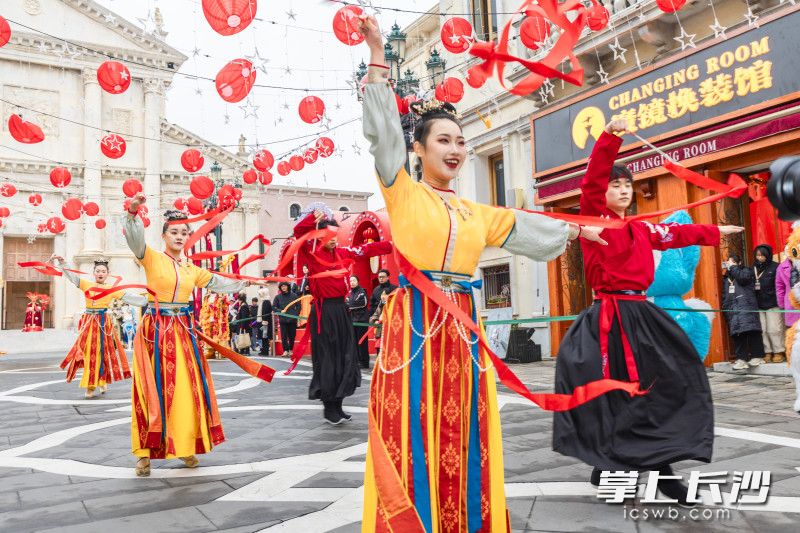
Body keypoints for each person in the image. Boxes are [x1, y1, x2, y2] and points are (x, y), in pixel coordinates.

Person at [356, 16, 609, 531]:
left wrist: (581, 231)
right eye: (443, 140)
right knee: (412, 424)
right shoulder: (401, 191)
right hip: (415, 326)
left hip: (463, 329)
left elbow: (525, 225)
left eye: (461, 141)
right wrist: (378, 54)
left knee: (465, 425)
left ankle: (467, 519)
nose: (455, 149)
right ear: (419, 151)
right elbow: (382, 135)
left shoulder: (474, 212)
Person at [552, 118, 744, 506]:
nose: (622, 190)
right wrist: (611, 137)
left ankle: (662, 470)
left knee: (668, 386)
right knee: (614, 394)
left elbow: (676, 235)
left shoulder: (641, 229)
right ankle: (610, 465)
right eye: (615, 184)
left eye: (627, 185)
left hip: (643, 315)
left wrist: (715, 233)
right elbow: (591, 180)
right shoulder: (594, 221)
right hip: (609, 319)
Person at [123, 193, 265, 477]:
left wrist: (245, 281)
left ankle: (185, 446)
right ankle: (144, 454)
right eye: (173, 232)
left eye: (183, 232)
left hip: (183, 332)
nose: (179, 236)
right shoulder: (151, 258)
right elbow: (134, 240)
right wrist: (132, 214)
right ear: (164, 236)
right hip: (156, 330)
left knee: (187, 391)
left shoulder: (191, 269)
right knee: (151, 390)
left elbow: (217, 282)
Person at [293, 208, 392, 424]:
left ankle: (338, 404)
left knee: (345, 357)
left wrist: (393, 245)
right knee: (328, 359)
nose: (333, 241)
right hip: (324, 312)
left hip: (342, 311)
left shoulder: (342, 253)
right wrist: (312, 218)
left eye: (335, 236)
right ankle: (329, 407)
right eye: (329, 236)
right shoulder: (312, 254)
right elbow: (298, 231)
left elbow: (366, 249)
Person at [50, 256, 142, 398]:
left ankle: (97, 382)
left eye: (103, 271)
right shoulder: (86, 284)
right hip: (89, 323)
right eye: (98, 271)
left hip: (103, 323)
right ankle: (95, 383)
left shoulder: (112, 289)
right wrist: (63, 263)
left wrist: (153, 300)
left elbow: (129, 297)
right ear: (94, 273)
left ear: (107, 273)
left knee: (101, 353)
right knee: (88, 354)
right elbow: (72, 277)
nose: (100, 273)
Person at [724, 254, 765, 370]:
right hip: (733, 310)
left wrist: (733, 267)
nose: (729, 265)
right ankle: (741, 359)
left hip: (747, 306)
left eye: (732, 262)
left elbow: (742, 279)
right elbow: (725, 296)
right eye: (728, 262)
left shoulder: (746, 271)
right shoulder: (727, 278)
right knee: (738, 334)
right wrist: (726, 310)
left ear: (739, 263)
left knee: (752, 331)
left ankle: (758, 356)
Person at [753, 245, 784, 363]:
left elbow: (780, 285)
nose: (759, 258)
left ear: (768, 255)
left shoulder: (776, 267)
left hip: (773, 303)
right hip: (758, 304)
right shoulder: (754, 268)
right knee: (763, 329)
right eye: (757, 255)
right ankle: (767, 352)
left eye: (762, 255)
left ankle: (779, 351)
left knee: (774, 329)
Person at [346, 275, 371, 369]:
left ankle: (364, 362)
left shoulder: (362, 292)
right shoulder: (350, 293)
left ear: (358, 281)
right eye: (350, 281)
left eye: (354, 280)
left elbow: (362, 303)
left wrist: (350, 305)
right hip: (353, 320)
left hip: (361, 320)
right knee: (355, 341)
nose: (352, 282)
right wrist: (350, 304)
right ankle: (357, 360)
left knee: (362, 342)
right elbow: (347, 303)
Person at [273, 281, 300, 356]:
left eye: (285, 286)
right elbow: (274, 307)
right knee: (283, 336)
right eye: (282, 286)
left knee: (292, 335)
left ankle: (291, 350)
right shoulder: (277, 297)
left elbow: (299, 306)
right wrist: (280, 311)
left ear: (288, 286)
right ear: (280, 288)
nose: (283, 288)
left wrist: (295, 314)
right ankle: (285, 350)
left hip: (292, 319)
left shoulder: (294, 295)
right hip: (283, 319)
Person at [258, 287, 273, 356]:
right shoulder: (265, 301)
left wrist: (264, 321)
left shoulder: (266, 301)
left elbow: (265, 312)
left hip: (265, 322)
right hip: (265, 321)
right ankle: (264, 350)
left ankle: (265, 351)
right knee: (264, 337)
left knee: (265, 337)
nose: (260, 295)